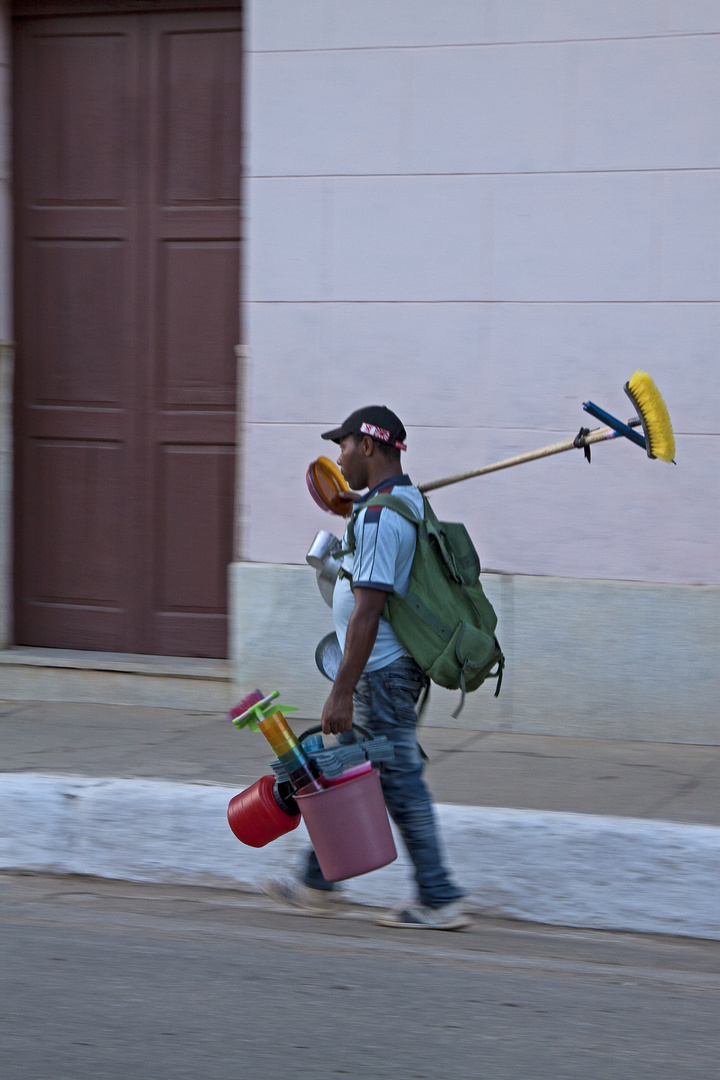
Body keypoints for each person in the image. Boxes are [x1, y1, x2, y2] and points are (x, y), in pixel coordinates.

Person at [263, 406, 469, 930]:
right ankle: (317, 881)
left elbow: (368, 609)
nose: (340, 458)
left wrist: (341, 691)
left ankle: (439, 897)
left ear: (370, 447)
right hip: (387, 671)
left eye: (345, 447)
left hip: (382, 675)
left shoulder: (382, 517)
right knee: (355, 772)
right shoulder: (402, 502)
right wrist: (360, 504)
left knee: (397, 779)